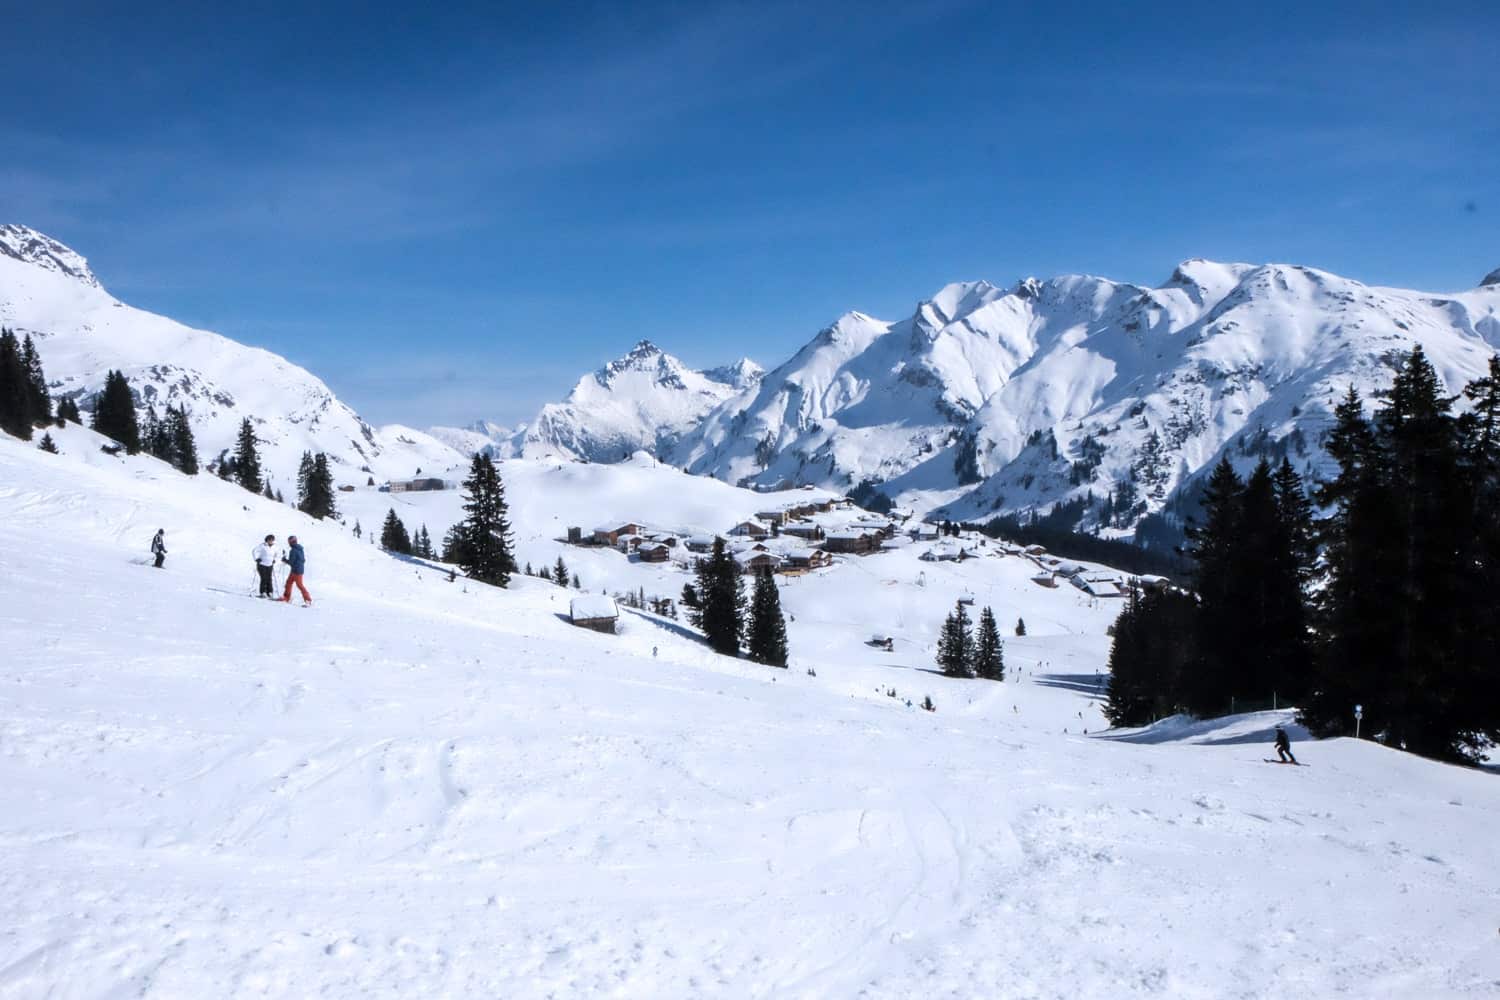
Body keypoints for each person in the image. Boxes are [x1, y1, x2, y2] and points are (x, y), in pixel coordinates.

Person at [277, 535, 311, 606]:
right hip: (297, 569)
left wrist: (285, 560)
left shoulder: (293, 550)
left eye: (289, 542)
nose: (289, 544)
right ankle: (286, 597)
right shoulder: (300, 549)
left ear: (291, 542)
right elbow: (303, 560)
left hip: (297, 571)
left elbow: (291, 562)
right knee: (289, 583)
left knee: (299, 585)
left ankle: (308, 600)